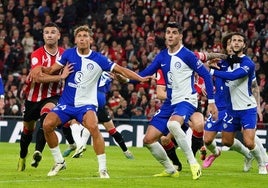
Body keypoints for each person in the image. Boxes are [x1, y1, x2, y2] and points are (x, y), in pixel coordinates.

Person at [29, 25, 151, 178]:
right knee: (47, 125)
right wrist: (37, 68)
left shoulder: (99, 59)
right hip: (67, 103)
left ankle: (102, 169)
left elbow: (120, 69)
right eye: (79, 36)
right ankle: (59, 162)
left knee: (93, 127)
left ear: (90, 39)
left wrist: (139, 78)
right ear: (75, 39)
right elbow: (51, 70)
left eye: (85, 36)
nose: (82, 38)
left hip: (86, 104)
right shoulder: (68, 54)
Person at [137, 22, 218, 180]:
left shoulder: (187, 54)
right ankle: (170, 169)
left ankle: (193, 162)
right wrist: (126, 79)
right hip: (170, 102)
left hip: (187, 99)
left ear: (180, 36)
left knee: (173, 125)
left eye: (174, 32)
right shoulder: (162, 56)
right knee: (148, 140)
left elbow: (207, 75)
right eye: (168, 32)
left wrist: (212, 102)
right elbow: (145, 73)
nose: (170, 35)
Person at [209, 32, 267, 174]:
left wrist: (210, 71)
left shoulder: (248, 63)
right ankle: (247, 156)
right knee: (227, 142)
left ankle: (261, 164)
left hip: (247, 108)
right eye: (233, 40)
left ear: (244, 45)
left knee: (249, 141)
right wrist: (209, 63)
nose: (236, 43)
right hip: (230, 110)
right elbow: (215, 61)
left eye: (239, 41)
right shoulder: (226, 61)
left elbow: (233, 76)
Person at [17, 22, 67, 171]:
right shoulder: (37, 54)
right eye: (47, 32)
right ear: (43, 36)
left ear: (58, 35)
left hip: (54, 95)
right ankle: (22, 155)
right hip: (33, 96)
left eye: (53, 32)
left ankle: (38, 151)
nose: (50, 35)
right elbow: (38, 78)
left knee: (47, 118)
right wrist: (61, 76)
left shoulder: (65, 54)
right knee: (27, 130)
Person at [62, 71, 134, 159]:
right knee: (74, 123)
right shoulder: (98, 68)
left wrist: (119, 76)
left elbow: (125, 80)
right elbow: (125, 80)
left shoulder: (103, 69)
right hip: (93, 101)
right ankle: (126, 152)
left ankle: (76, 146)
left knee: (74, 123)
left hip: (93, 102)